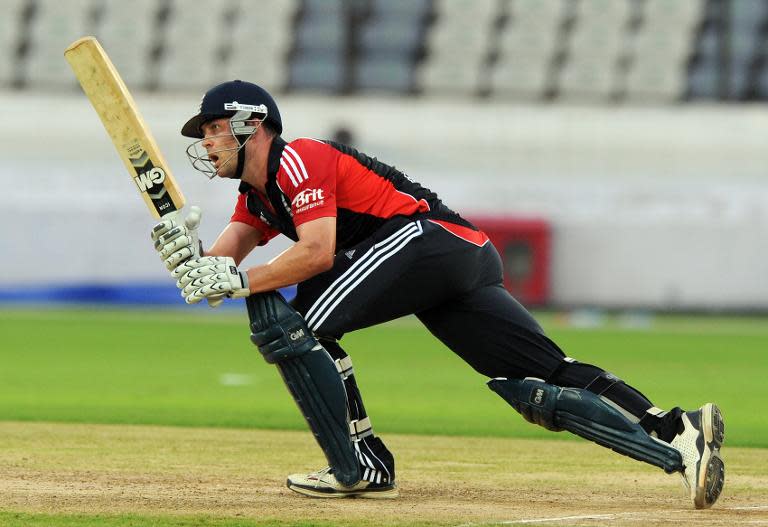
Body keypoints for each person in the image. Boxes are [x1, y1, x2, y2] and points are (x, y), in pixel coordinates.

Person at [150, 80, 725, 508]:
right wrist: (185, 252)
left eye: (213, 128)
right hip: (457, 253)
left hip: (421, 241)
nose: (206, 141)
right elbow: (216, 272)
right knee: (539, 374)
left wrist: (237, 279)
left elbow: (317, 253)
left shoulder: (298, 158)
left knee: (300, 329)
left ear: (253, 123)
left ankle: (361, 467)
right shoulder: (255, 198)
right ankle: (677, 430)